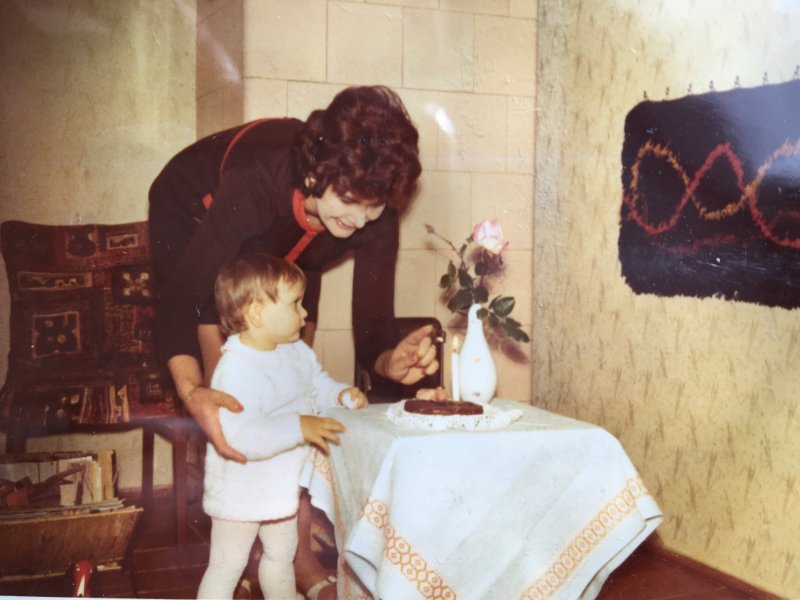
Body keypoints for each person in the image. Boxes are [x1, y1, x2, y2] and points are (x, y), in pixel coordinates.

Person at [148, 85, 439, 599]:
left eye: (374, 207)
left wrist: (390, 360)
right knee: (234, 390)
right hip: (193, 207)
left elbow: (373, 326)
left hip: (293, 229)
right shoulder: (255, 185)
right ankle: (235, 548)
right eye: (350, 201)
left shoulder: (367, 212)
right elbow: (178, 305)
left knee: (296, 377)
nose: (361, 221)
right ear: (316, 174)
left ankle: (292, 554)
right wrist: (194, 391)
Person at [196, 254, 368, 599]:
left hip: (279, 485)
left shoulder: (295, 351)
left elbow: (316, 385)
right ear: (256, 313)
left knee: (281, 556)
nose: (304, 313)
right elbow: (242, 436)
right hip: (239, 489)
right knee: (227, 564)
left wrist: (340, 394)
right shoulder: (237, 368)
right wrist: (299, 426)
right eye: (295, 304)